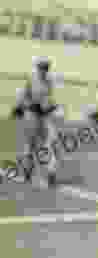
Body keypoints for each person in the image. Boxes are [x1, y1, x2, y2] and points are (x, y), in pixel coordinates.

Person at [12, 56, 61, 187]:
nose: (44, 70)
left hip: (44, 117)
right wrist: (20, 106)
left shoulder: (49, 82)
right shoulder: (31, 80)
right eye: (42, 67)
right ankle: (28, 170)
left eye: (46, 67)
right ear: (37, 68)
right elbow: (23, 95)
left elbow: (49, 99)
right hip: (32, 116)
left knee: (51, 144)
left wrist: (52, 106)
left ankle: (51, 174)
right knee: (30, 146)